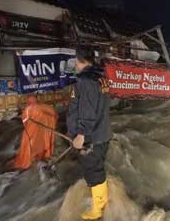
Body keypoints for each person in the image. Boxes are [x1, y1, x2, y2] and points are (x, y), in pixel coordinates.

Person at [67, 46, 112, 220]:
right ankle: (102, 200)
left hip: (91, 137)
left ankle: (99, 210)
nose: (76, 66)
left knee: (93, 170)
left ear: (80, 61)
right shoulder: (102, 78)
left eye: (76, 62)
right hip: (102, 133)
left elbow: (88, 111)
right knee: (97, 168)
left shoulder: (86, 81)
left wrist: (81, 135)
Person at [10, 95, 58, 170]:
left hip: (33, 131)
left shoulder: (29, 109)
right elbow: (56, 116)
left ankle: (29, 161)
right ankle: (45, 156)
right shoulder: (48, 107)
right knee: (46, 143)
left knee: (29, 145)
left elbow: (24, 122)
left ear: (29, 102)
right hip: (48, 130)